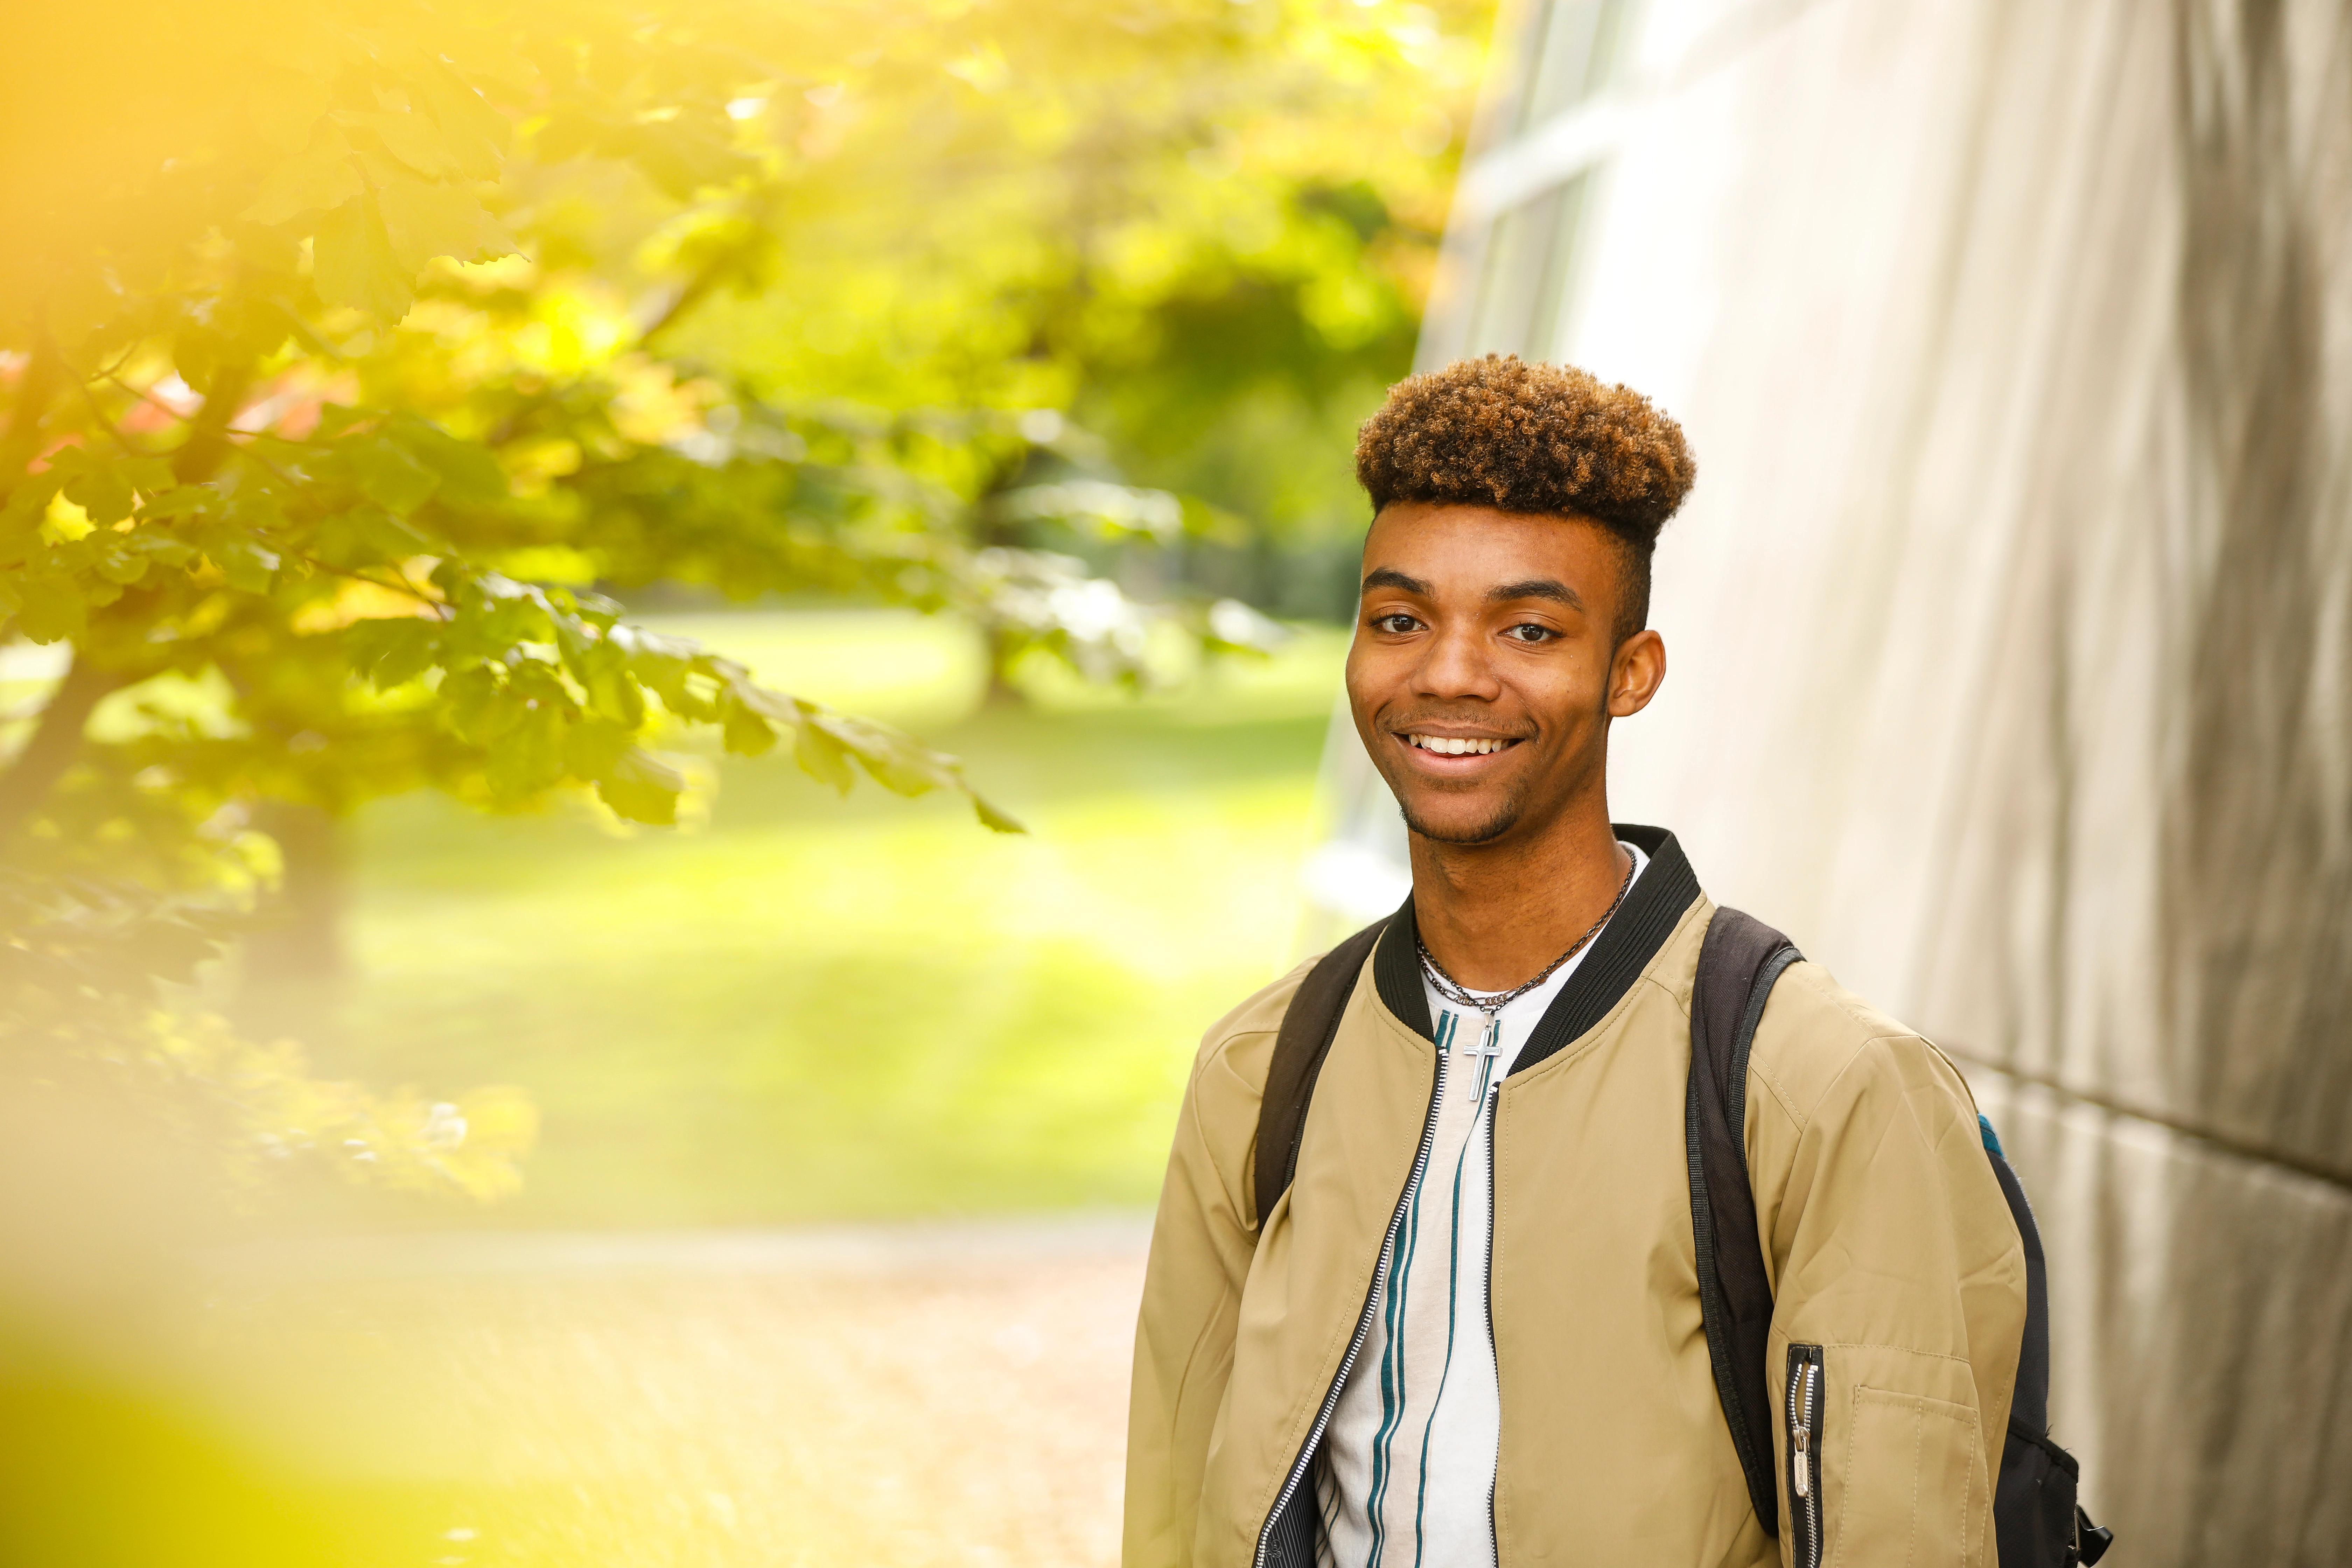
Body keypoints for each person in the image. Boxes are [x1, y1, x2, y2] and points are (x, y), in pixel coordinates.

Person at [1122, 355, 2027, 1568]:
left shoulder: (1822, 1086)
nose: (1447, 672)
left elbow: (1904, 1536)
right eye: (1401, 619)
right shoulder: (1265, 1063)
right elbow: (1176, 1504)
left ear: (1629, 673)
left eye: (1529, 629)